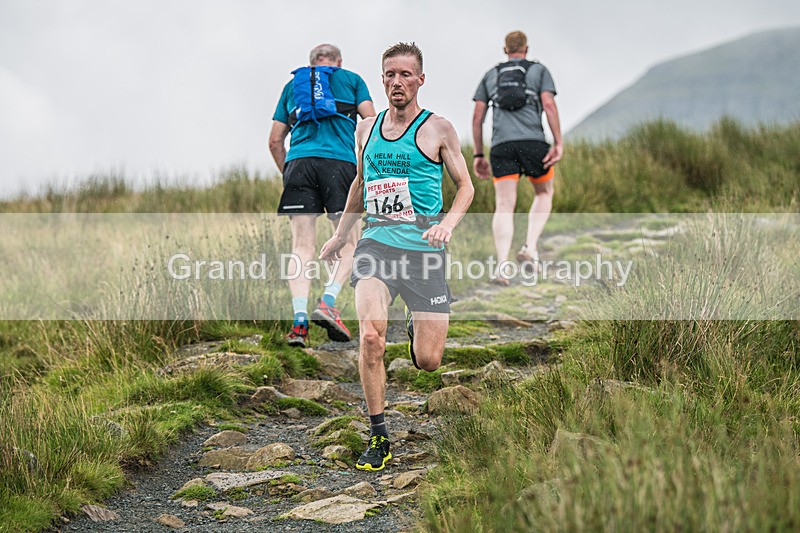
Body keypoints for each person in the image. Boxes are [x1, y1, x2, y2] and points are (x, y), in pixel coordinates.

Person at [320, 43, 474, 471]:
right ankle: (379, 435)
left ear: (420, 80)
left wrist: (447, 225)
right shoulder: (365, 129)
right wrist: (340, 236)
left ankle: (413, 318)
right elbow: (360, 184)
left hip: (424, 251)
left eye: (405, 74)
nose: (396, 82)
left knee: (428, 361)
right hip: (377, 245)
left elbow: (466, 187)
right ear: (382, 78)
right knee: (371, 338)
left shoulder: (438, 128)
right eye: (389, 74)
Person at [269, 44, 376, 347]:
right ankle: (328, 303)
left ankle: (299, 324)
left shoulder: (292, 86)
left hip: (298, 165)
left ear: (312, 63)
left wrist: (289, 173)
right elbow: (371, 124)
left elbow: (275, 141)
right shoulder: (352, 80)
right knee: (350, 243)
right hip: (340, 165)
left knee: (301, 247)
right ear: (338, 62)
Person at [472, 30, 563, 284]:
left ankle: (502, 267)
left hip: (502, 146)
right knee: (544, 192)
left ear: (505, 50)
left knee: (504, 205)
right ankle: (530, 247)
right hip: (534, 143)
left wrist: (479, 154)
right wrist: (558, 142)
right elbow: (549, 105)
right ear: (526, 48)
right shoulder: (539, 71)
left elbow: (477, 117)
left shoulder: (491, 75)